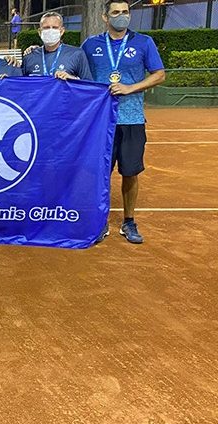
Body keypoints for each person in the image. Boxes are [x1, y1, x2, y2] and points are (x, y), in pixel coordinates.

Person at [82, 0, 165, 244]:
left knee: (130, 172)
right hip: (100, 121)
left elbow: (159, 74)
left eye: (125, 12)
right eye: (116, 12)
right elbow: (75, 68)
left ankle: (129, 221)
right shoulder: (91, 44)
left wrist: (131, 87)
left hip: (132, 119)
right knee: (99, 174)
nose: (122, 16)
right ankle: (99, 221)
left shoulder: (144, 42)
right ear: (105, 17)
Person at [22, 12, 92, 81]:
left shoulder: (76, 54)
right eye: (46, 28)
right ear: (40, 32)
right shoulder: (30, 56)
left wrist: (72, 79)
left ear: (62, 31)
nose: (50, 31)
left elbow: (88, 84)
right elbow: (21, 84)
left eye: (55, 27)